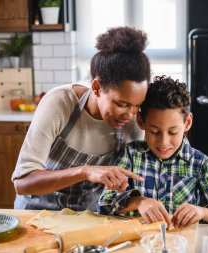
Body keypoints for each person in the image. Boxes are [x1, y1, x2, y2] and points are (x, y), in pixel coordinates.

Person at [12, 26, 151, 211]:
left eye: (137, 105)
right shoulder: (60, 103)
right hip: (37, 211)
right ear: (96, 87)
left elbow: (125, 188)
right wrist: (85, 171)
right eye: (121, 104)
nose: (130, 114)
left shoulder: (133, 124)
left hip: (88, 216)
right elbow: (23, 183)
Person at [98, 75, 208, 227]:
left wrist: (202, 212)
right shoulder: (131, 154)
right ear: (141, 121)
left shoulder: (201, 163)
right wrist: (137, 202)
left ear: (187, 123)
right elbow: (105, 204)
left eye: (173, 132)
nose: (163, 142)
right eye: (154, 131)